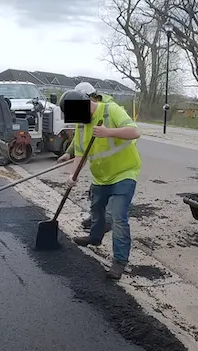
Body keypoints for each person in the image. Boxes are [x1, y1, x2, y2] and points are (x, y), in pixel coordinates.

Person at [55, 86, 142, 279]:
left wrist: (108, 132)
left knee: (118, 218)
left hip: (124, 172)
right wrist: (72, 176)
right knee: (96, 209)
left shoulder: (111, 110)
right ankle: (95, 237)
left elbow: (135, 132)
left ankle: (119, 261)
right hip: (101, 177)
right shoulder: (81, 124)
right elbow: (80, 152)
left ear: (85, 103)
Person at [58, 82, 114, 232]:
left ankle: (106, 222)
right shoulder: (84, 113)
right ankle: (96, 219)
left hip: (112, 157)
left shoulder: (106, 109)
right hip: (98, 159)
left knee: (108, 193)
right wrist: (69, 153)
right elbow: (80, 135)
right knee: (95, 191)